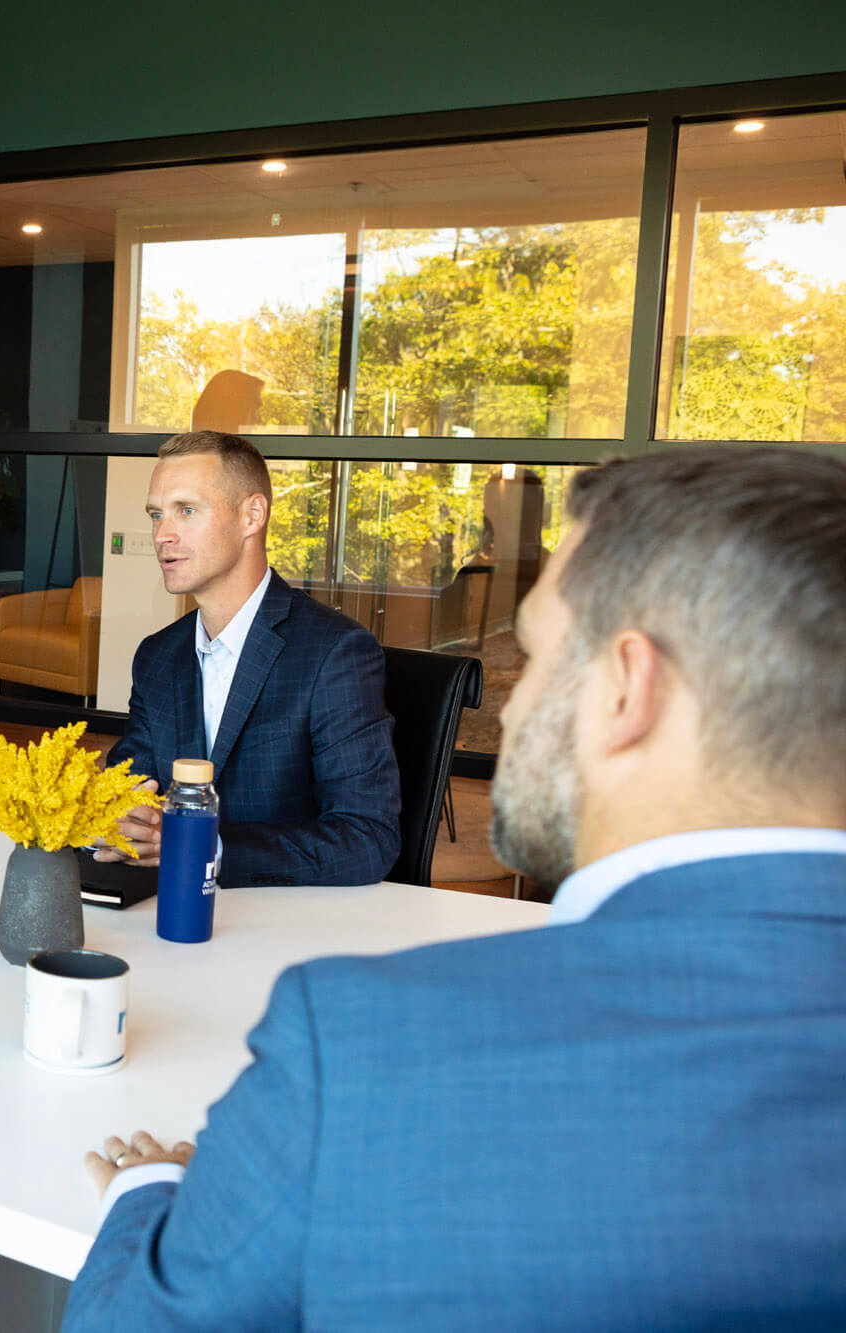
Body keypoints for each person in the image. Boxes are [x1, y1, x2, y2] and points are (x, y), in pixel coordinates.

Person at [65, 447, 846, 1328]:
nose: (509, 710)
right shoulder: (162, 654)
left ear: (630, 686)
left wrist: (150, 1188)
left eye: (540, 655)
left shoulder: (364, 1045)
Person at [98, 430, 400, 886]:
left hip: (281, 928)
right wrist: (119, 821)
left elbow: (367, 839)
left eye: (187, 510)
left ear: (251, 515)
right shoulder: (157, 656)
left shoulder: (336, 654)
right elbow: (129, 791)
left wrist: (203, 848)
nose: (162, 534)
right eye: (157, 514)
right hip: (163, 917)